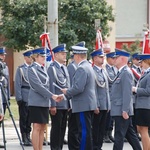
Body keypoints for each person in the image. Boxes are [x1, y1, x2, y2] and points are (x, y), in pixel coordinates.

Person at [61, 45, 97, 150]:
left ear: (77, 56)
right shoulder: (88, 66)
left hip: (82, 104)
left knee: (84, 131)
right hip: (87, 104)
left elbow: (78, 88)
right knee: (86, 130)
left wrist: (66, 92)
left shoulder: (81, 68)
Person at [27, 47, 63, 150]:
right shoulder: (32, 69)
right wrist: (52, 95)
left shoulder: (43, 68)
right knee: (37, 127)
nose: (44, 58)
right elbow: (38, 86)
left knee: (42, 128)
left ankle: (40, 148)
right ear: (36, 57)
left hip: (44, 102)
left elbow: (48, 84)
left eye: (44, 56)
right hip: (36, 102)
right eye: (42, 56)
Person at [111, 49, 142, 150]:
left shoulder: (125, 73)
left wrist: (125, 110)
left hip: (122, 110)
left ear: (123, 59)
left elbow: (127, 93)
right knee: (130, 135)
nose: (114, 59)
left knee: (119, 136)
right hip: (120, 109)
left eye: (116, 58)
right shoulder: (121, 72)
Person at [47, 44, 70, 150]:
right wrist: (52, 105)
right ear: (55, 55)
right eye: (62, 54)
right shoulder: (52, 68)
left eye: (65, 53)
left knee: (62, 128)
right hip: (57, 103)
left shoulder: (64, 68)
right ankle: (55, 148)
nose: (64, 55)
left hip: (65, 103)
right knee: (56, 128)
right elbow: (51, 87)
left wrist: (69, 103)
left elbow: (67, 86)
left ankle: (59, 147)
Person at [90, 49, 110, 150]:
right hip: (98, 105)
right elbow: (93, 90)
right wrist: (95, 105)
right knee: (96, 128)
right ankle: (95, 147)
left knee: (102, 128)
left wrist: (108, 104)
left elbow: (106, 89)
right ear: (95, 58)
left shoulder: (103, 71)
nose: (103, 59)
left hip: (104, 104)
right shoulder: (92, 71)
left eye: (103, 57)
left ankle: (99, 146)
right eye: (101, 57)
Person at [14, 49, 33, 146]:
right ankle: (24, 136)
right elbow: (17, 84)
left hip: (32, 97)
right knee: (24, 118)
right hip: (24, 95)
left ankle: (28, 135)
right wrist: (19, 98)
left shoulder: (33, 68)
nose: (31, 59)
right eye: (29, 57)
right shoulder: (21, 69)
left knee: (30, 118)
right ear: (25, 58)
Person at [132, 54, 150, 150]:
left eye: (141, 62)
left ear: (146, 61)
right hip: (142, 105)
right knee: (140, 129)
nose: (140, 65)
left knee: (143, 130)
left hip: (145, 105)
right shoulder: (146, 73)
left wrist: (136, 90)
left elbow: (148, 91)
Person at [104, 52, 117, 143]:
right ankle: (105, 134)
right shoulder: (105, 69)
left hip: (114, 95)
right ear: (108, 59)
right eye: (112, 58)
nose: (114, 60)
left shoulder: (115, 69)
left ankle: (109, 133)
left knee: (111, 117)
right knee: (107, 117)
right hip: (108, 95)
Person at [0, 47, 10, 148]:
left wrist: (7, 97)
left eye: (4, 55)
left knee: (1, 119)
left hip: (3, 95)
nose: (3, 57)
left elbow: (7, 83)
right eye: (2, 55)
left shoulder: (5, 67)